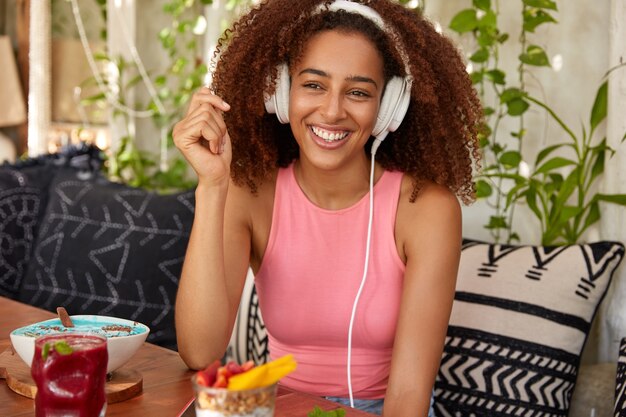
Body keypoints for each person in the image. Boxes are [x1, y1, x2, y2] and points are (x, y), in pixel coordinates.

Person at [173, 0, 482, 415]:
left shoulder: (426, 209)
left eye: (358, 92)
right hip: (274, 406)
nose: (333, 111)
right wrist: (212, 187)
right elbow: (200, 351)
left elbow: (408, 397)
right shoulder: (250, 194)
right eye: (314, 85)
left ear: (388, 108)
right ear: (281, 93)